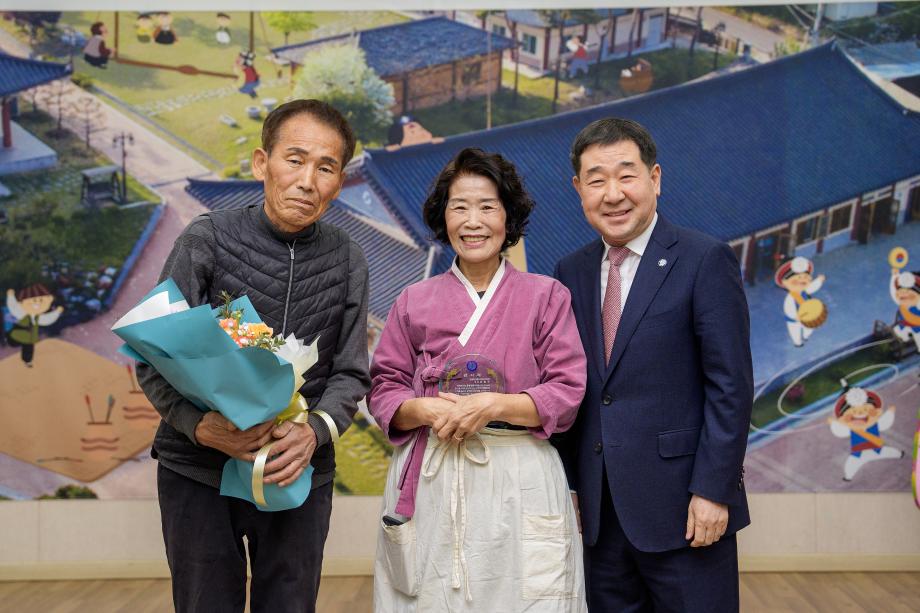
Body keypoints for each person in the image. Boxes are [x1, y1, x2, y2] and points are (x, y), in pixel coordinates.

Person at [136, 99, 371, 613]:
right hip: (198, 469)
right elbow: (152, 353)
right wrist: (200, 427)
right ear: (262, 162)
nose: (307, 181)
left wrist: (313, 433)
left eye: (326, 168)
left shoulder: (348, 258)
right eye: (295, 160)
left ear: (339, 182)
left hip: (297, 470)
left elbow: (351, 372)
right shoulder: (207, 238)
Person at [369, 147, 588, 612]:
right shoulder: (413, 300)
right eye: (459, 207)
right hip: (435, 470)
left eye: (487, 207)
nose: (473, 222)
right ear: (443, 216)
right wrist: (421, 408)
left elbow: (567, 389)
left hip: (519, 472)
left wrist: (494, 405)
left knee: (530, 599)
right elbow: (385, 386)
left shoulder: (547, 296)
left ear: (508, 217)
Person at [554, 118, 753, 612]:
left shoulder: (704, 259)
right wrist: (571, 484)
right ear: (579, 189)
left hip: (686, 511)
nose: (613, 194)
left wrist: (714, 491)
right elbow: (572, 385)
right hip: (601, 517)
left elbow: (730, 387)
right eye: (596, 180)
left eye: (627, 175)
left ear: (655, 178)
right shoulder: (570, 271)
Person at [5, 284, 63, 366]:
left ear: (49, 299)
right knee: (14, 341)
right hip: (17, 335)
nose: (36, 304)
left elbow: (47, 319)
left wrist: (57, 312)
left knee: (28, 346)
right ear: (21, 303)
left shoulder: (38, 317)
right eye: (33, 301)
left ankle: (27, 360)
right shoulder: (23, 313)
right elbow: (14, 307)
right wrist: (11, 297)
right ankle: (8, 338)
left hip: (29, 337)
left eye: (41, 300)